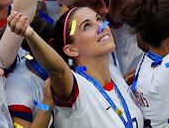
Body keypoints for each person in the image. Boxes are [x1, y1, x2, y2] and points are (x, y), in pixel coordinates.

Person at [9, 7, 143, 128]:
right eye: (87, 26)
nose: (101, 27)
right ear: (71, 50)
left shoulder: (114, 72)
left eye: (99, 19)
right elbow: (58, 71)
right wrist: (30, 34)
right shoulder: (74, 88)